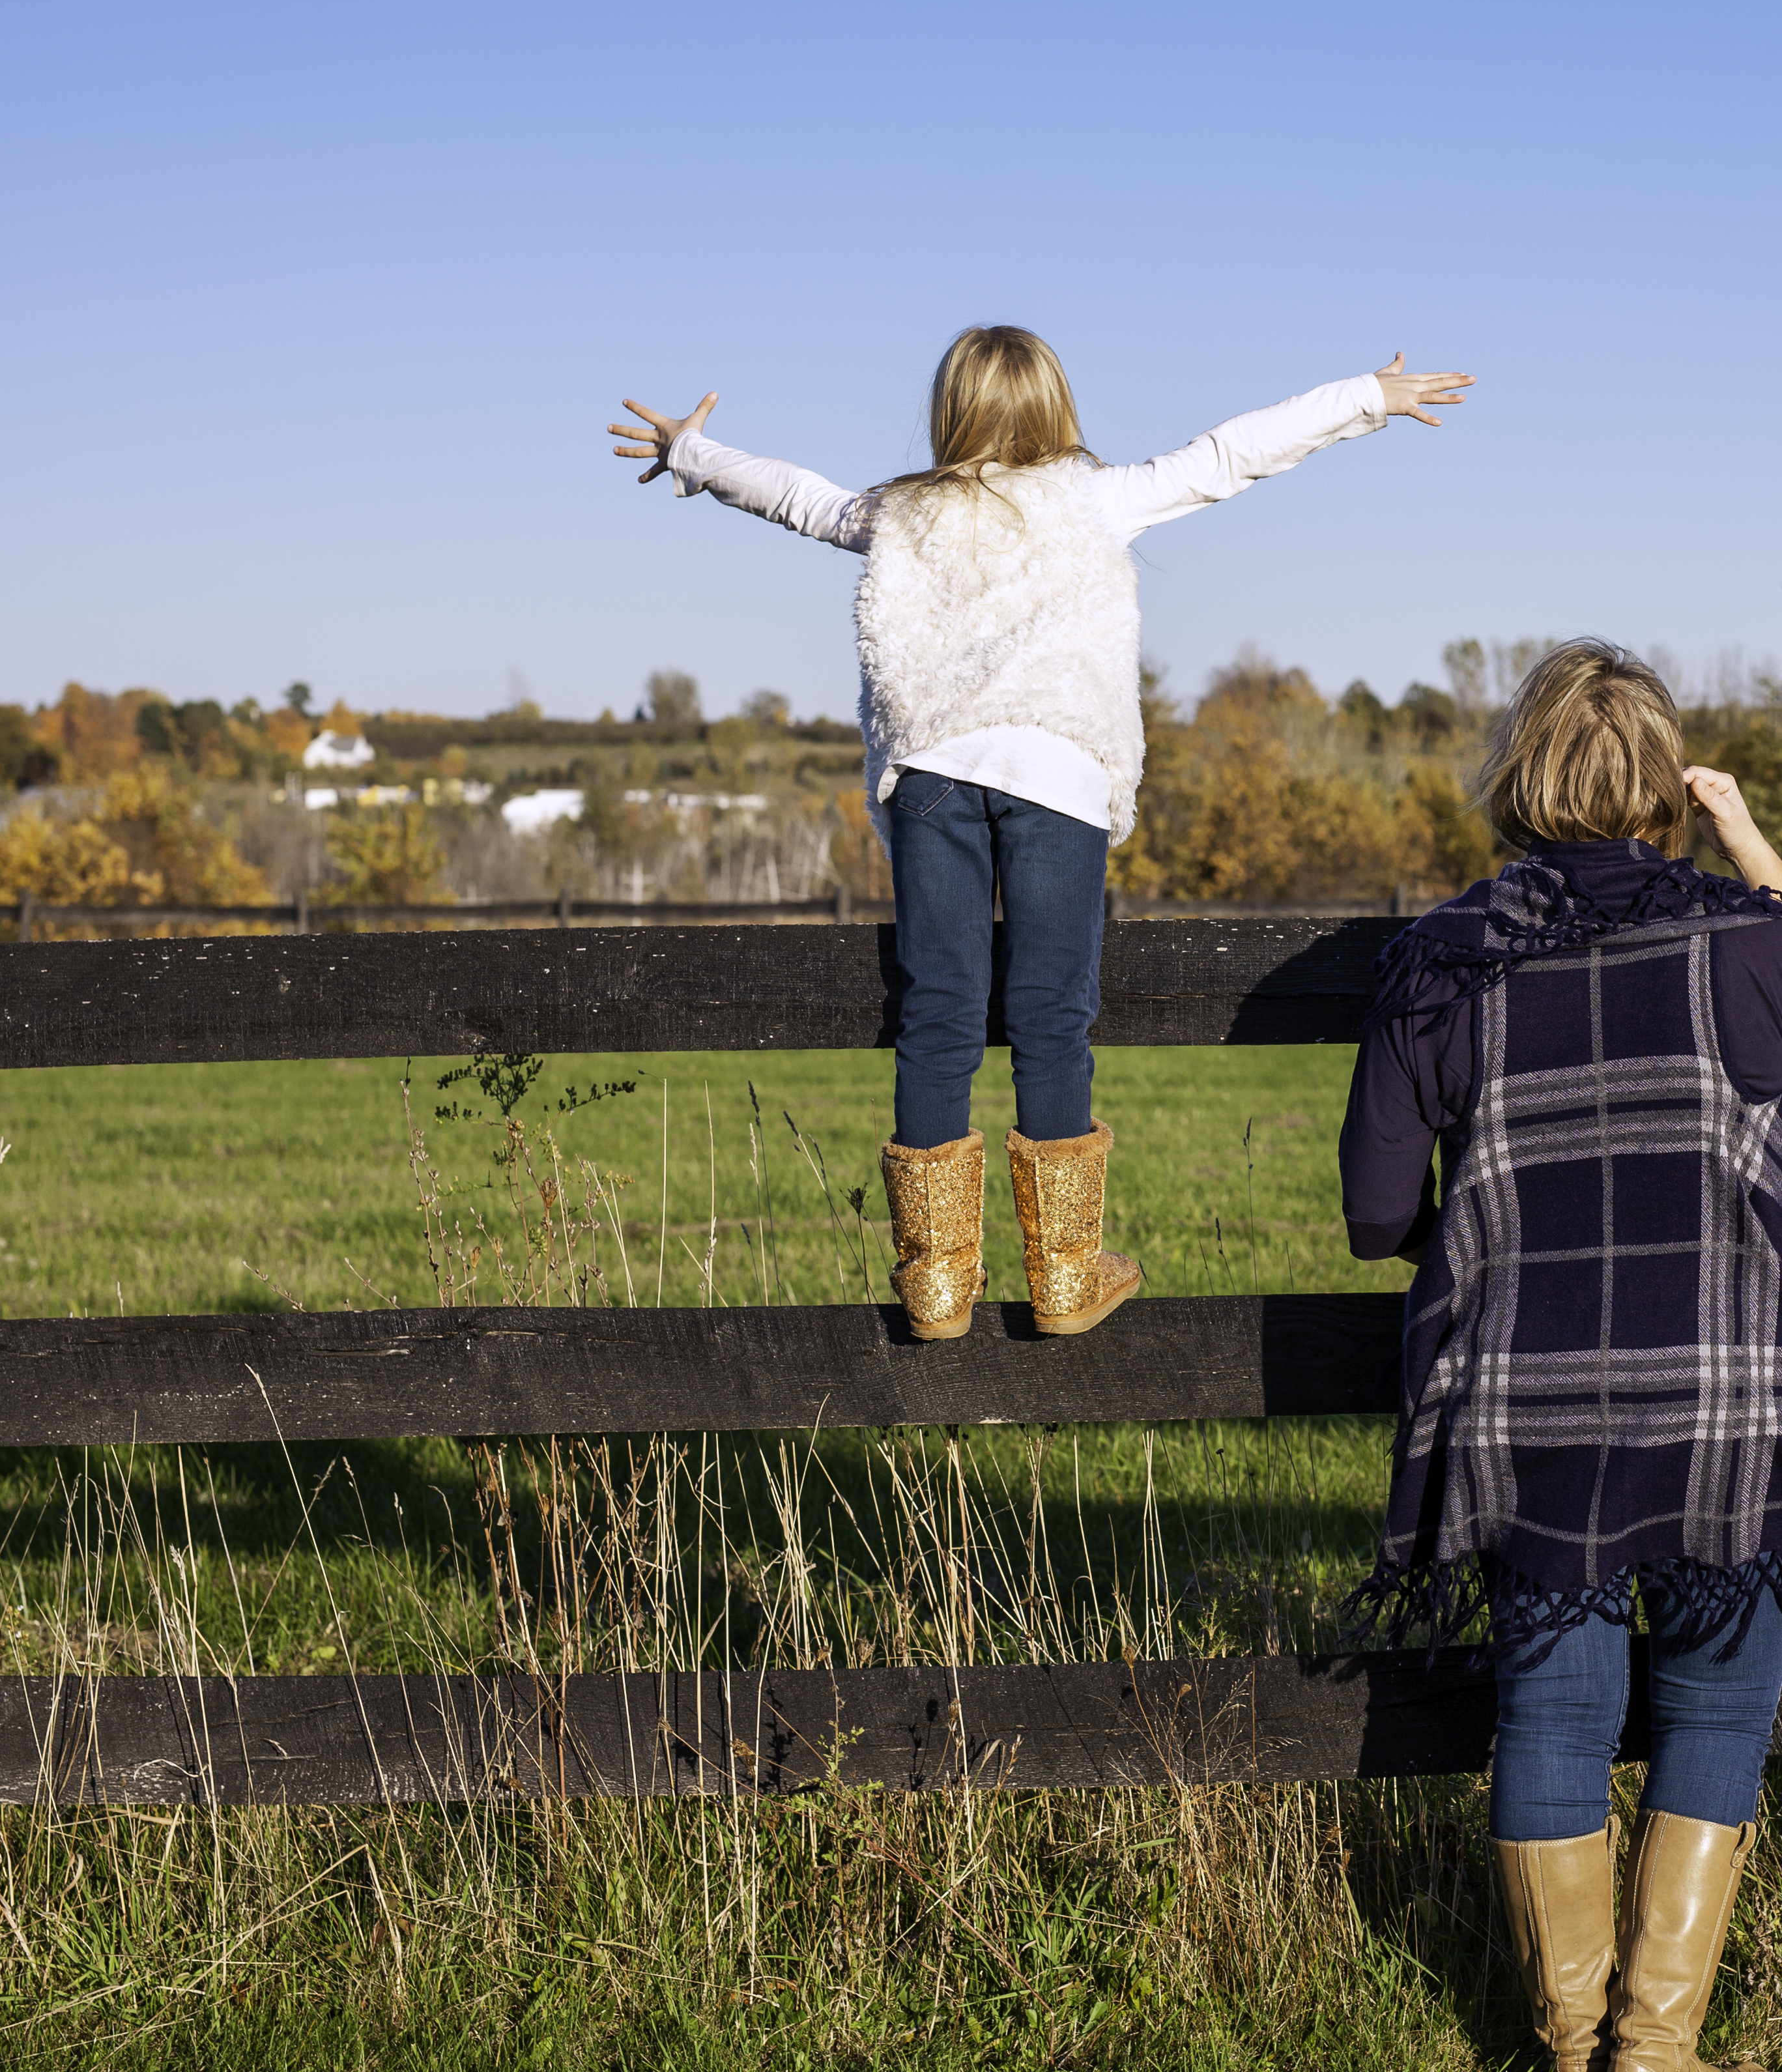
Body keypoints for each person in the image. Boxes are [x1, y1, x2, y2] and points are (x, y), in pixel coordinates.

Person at [609, 331, 1473, 1339]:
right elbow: (1232, 453)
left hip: (933, 774)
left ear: (950, 410)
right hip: (1056, 776)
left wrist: (690, 454)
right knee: (1051, 1017)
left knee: (938, 1014)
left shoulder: (900, 512)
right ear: (1056, 407)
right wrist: (1368, 395)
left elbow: (794, 495)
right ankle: (1064, 1273)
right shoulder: (1096, 500)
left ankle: (935, 1283)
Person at [1339, 641, 1782, 2072]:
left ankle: (1576, 2055)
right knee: (1717, 1705)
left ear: (1520, 780)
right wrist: (1755, 843)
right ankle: (1652, 2060)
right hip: (1724, 1401)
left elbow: (1379, 1216)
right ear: (1666, 792)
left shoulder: (1442, 963)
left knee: (1554, 1715)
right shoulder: (1741, 942)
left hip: (1522, 1411)